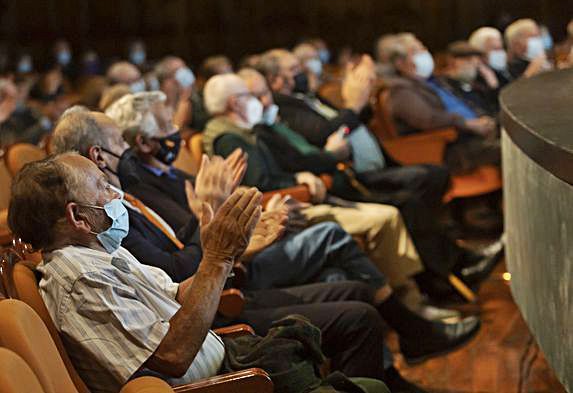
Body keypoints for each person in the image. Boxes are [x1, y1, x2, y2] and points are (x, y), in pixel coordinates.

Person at [50, 106, 479, 393]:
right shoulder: (95, 247)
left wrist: (233, 238)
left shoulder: (106, 229)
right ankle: (410, 339)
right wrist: (221, 235)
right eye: (119, 149)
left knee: (346, 285)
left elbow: (171, 277)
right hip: (219, 314)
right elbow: (179, 288)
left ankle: (398, 360)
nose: (115, 186)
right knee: (351, 292)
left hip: (216, 300)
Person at [10, 154, 396, 393]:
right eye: (102, 186)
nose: (117, 194)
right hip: (223, 387)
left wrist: (229, 253)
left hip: (233, 365)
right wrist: (217, 259)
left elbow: (178, 293)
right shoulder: (79, 281)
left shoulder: (98, 253)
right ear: (77, 217)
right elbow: (174, 356)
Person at [203, 73, 501, 292]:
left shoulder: (254, 127)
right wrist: (303, 177)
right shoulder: (233, 136)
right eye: (253, 95)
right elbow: (261, 182)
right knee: (403, 204)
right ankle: (431, 286)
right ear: (234, 102)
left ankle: (447, 271)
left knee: (421, 185)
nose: (261, 101)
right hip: (310, 192)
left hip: (323, 179)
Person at [384, 33, 499, 173]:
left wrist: (482, 120)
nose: (423, 54)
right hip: (449, 147)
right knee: (509, 150)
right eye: (415, 52)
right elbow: (428, 119)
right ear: (400, 63)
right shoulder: (401, 90)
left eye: (423, 49)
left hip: (471, 136)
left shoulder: (431, 81)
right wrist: (467, 124)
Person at [437, 41, 501, 117]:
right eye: (468, 60)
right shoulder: (443, 86)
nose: (474, 65)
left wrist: (493, 86)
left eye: (477, 60)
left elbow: (494, 108)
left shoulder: (477, 86)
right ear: (452, 62)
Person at [154, 56, 199, 129]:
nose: (185, 73)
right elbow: (175, 129)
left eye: (185, 68)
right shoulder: (156, 105)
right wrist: (184, 100)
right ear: (166, 80)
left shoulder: (194, 98)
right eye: (179, 71)